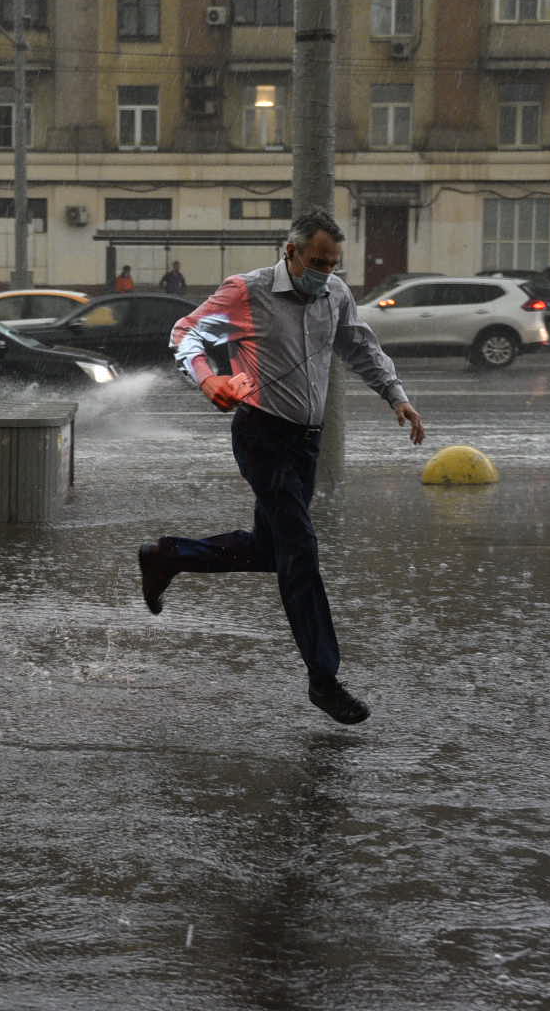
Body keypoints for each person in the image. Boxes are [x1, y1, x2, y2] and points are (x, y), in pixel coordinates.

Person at [137, 208, 426, 726]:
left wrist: (395, 395)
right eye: (317, 261)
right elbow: (187, 333)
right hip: (261, 433)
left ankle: (167, 555)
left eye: (334, 264)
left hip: (305, 443)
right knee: (301, 548)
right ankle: (324, 678)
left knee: (271, 552)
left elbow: (359, 344)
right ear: (290, 253)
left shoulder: (334, 294)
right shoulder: (247, 292)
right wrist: (209, 381)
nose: (325, 272)